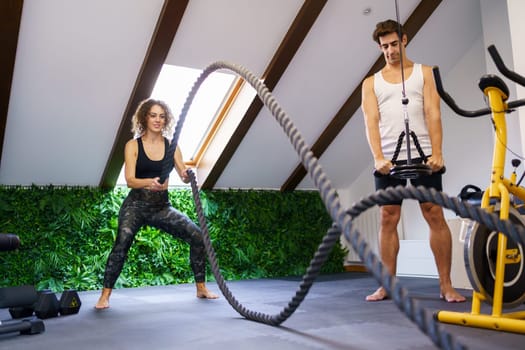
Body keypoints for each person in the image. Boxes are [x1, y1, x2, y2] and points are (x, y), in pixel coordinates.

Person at [361, 19, 465, 303]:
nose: (390, 51)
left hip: (424, 155)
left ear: (404, 40)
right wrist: (378, 157)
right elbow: (371, 122)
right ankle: (387, 285)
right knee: (387, 217)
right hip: (389, 161)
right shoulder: (371, 83)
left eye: (394, 44)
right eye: (384, 47)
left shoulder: (424, 73)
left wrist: (438, 152)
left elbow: (433, 113)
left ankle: (445, 285)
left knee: (434, 214)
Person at [95, 98, 218, 309]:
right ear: (145, 117)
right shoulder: (133, 145)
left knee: (198, 236)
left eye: (162, 116)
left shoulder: (171, 146)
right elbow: (130, 180)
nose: (158, 120)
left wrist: (187, 174)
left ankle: (201, 288)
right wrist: (149, 182)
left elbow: (181, 172)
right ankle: (104, 296)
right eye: (153, 115)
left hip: (161, 207)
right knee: (122, 242)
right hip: (136, 205)